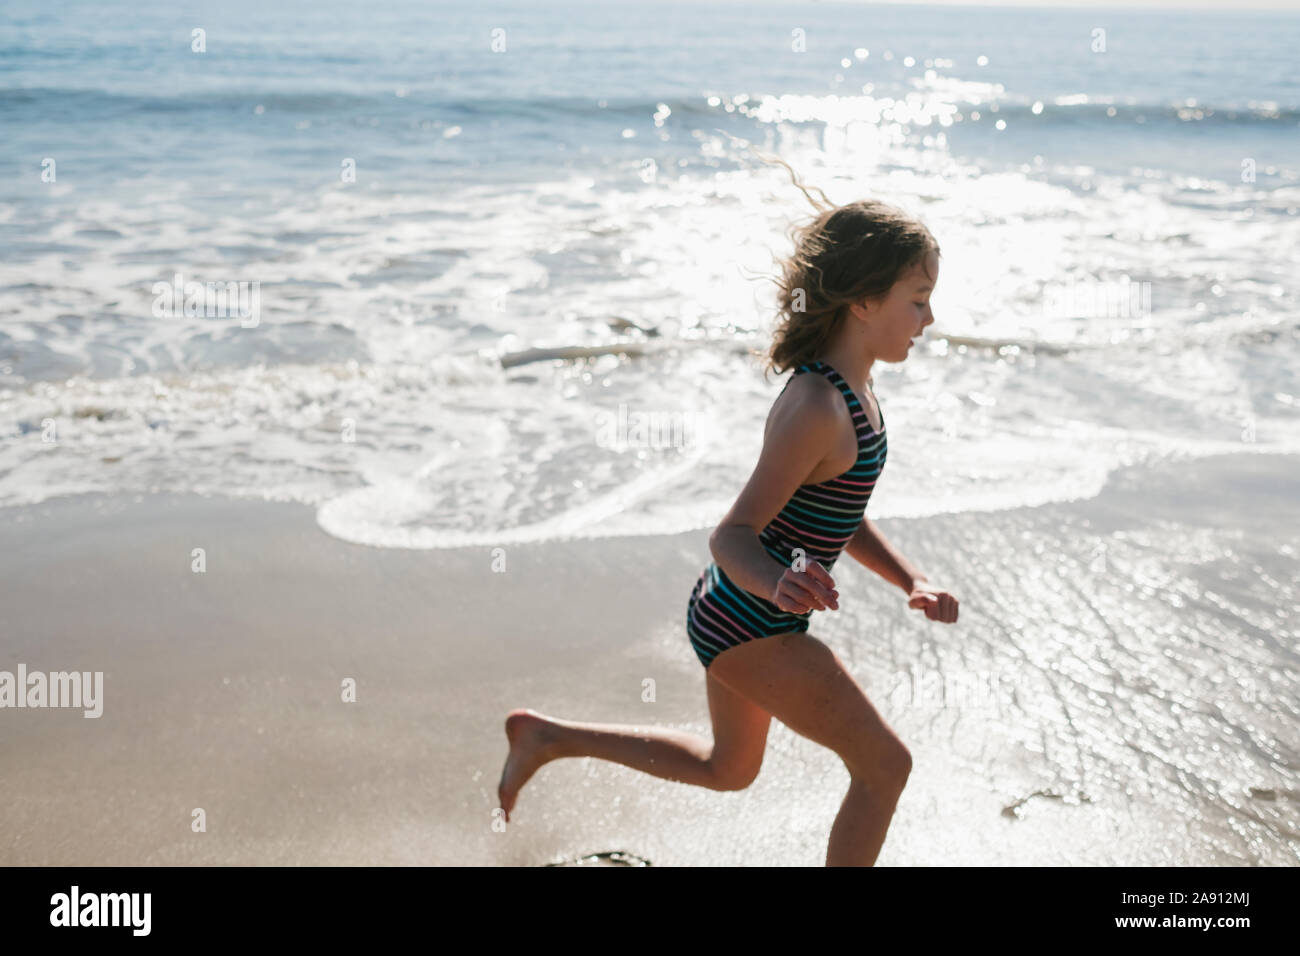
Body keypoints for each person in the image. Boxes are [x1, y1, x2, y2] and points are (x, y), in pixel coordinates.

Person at [497, 175, 959, 866]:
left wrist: (910, 579)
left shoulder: (856, 390)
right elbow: (732, 534)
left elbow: (841, 510)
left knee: (727, 769)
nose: (928, 319)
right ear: (863, 301)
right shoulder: (818, 406)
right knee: (885, 768)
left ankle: (549, 738)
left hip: (735, 608)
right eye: (917, 301)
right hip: (752, 618)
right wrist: (778, 584)